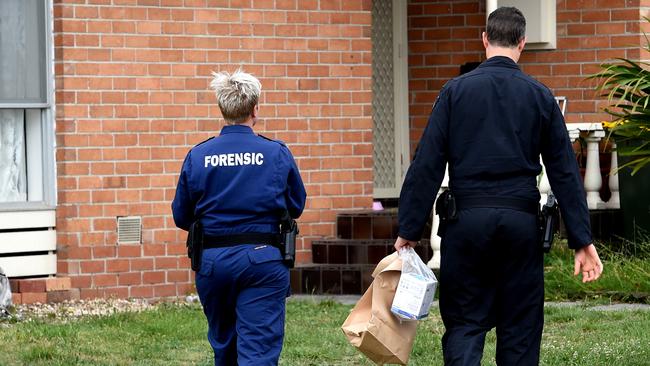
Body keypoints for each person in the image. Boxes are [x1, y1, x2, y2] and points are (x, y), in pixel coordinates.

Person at [394, 7, 603, 366]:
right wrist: (581, 238)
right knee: (520, 329)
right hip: (521, 225)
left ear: (485, 40)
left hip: (466, 224)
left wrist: (409, 230)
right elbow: (565, 172)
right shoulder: (540, 97)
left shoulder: (455, 92)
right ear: (522, 43)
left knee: (464, 325)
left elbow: (426, 163)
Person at [172, 69, 306, 365]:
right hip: (263, 261)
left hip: (213, 263)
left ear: (222, 108)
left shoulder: (198, 155)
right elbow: (297, 204)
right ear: (255, 109)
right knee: (257, 351)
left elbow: (181, 214)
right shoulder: (275, 153)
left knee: (225, 348)